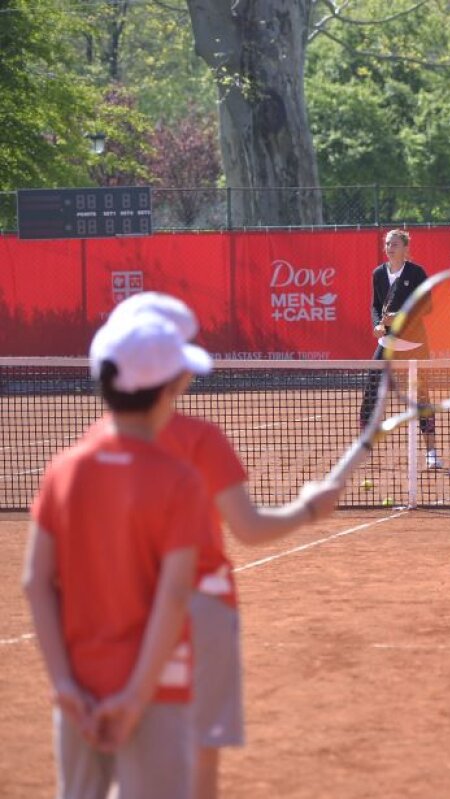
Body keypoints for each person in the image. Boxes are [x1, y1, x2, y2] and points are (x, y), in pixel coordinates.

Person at [93, 292, 345, 799]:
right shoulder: (200, 439)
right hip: (200, 608)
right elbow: (249, 529)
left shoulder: (95, 444)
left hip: (122, 609)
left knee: (131, 749)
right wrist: (310, 509)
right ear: (179, 371)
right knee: (199, 753)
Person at [23, 312, 215, 799]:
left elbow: (34, 582)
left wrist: (64, 685)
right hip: (158, 692)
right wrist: (134, 697)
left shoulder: (62, 470)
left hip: (78, 695)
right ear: (170, 388)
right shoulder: (180, 482)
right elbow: (174, 595)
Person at [359, 228, 442, 469]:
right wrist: (377, 324)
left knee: (421, 396)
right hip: (387, 344)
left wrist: (399, 316)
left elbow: (427, 308)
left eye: (395, 244)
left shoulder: (417, 274)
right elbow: (375, 305)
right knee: (371, 391)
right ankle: (364, 447)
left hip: (415, 344)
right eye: (387, 244)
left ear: (406, 248)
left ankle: (431, 452)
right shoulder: (378, 274)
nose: (390, 247)